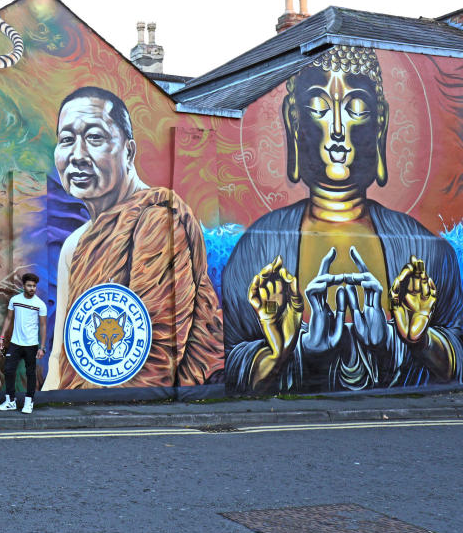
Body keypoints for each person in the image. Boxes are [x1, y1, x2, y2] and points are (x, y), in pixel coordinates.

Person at [223, 46, 463, 393]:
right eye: (319, 107)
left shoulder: (425, 252)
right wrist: (283, 352)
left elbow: (454, 357)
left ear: (380, 124)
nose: (337, 129)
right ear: (295, 122)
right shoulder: (258, 251)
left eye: (356, 109)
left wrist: (416, 340)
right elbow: (230, 364)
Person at [42, 86, 223, 390]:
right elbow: (60, 354)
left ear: (129, 151)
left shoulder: (158, 219)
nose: (77, 155)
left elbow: (153, 350)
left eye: (95, 138)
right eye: (67, 140)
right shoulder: (74, 244)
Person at [0, 273, 47, 413]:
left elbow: (43, 326)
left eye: (34, 286)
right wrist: (2, 337)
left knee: (30, 373)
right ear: (23, 286)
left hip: (31, 344)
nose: (32, 288)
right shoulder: (15, 300)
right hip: (15, 343)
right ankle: (10, 401)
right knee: (8, 370)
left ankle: (29, 402)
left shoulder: (40, 304)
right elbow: (8, 319)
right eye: (29, 286)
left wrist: (42, 347)